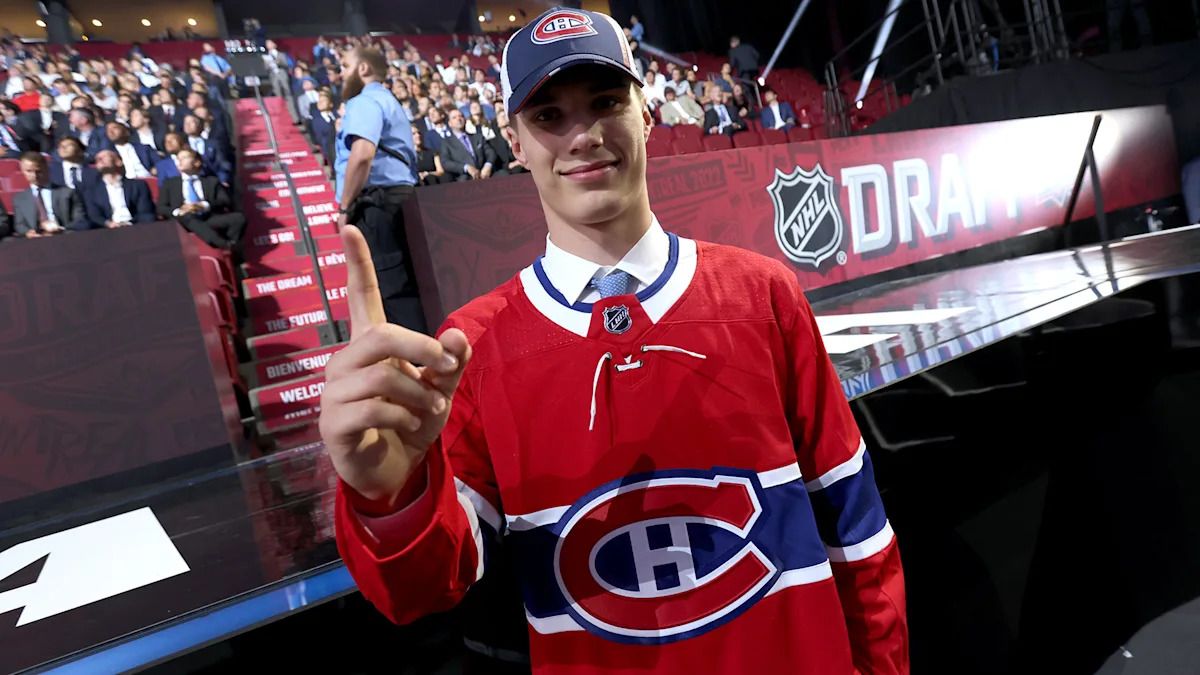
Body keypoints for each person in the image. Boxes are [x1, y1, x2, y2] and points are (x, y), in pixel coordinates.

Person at [323, 8, 908, 675]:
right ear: (514, 141)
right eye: (549, 116)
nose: (583, 135)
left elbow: (860, 538)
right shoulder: (473, 344)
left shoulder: (762, 294)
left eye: (605, 102)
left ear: (646, 114)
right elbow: (429, 586)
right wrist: (390, 499)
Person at [335, 45, 423, 330]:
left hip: (378, 206)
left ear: (363, 69)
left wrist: (345, 206)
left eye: (345, 66)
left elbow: (361, 155)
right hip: (403, 199)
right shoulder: (390, 101)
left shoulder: (363, 102)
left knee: (394, 294)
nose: (340, 73)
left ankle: (420, 370)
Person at [158, 148, 245, 249]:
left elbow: (225, 200)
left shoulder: (211, 181)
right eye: (178, 158)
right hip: (183, 220)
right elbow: (161, 207)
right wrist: (179, 211)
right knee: (188, 216)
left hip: (207, 217)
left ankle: (232, 250)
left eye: (184, 157)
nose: (179, 161)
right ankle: (223, 244)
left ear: (197, 162)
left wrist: (203, 205)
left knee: (239, 218)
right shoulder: (170, 183)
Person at [12, 151, 86, 236]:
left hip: (65, 236)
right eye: (29, 171)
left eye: (38, 171)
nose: (34, 175)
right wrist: (28, 233)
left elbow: (80, 219)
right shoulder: (19, 199)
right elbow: (20, 225)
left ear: (47, 169)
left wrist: (63, 229)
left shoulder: (67, 193)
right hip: (36, 241)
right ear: (22, 171)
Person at [81, 150, 156, 228]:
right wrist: (109, 224)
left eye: (105, 156)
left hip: (136, 227)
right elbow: (94, 216)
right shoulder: (92, 191)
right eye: (97, 159)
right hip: (107, 231)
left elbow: (145, 212)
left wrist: (130, 224)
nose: (99, 159)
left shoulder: (138, 185)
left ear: (118, 162)